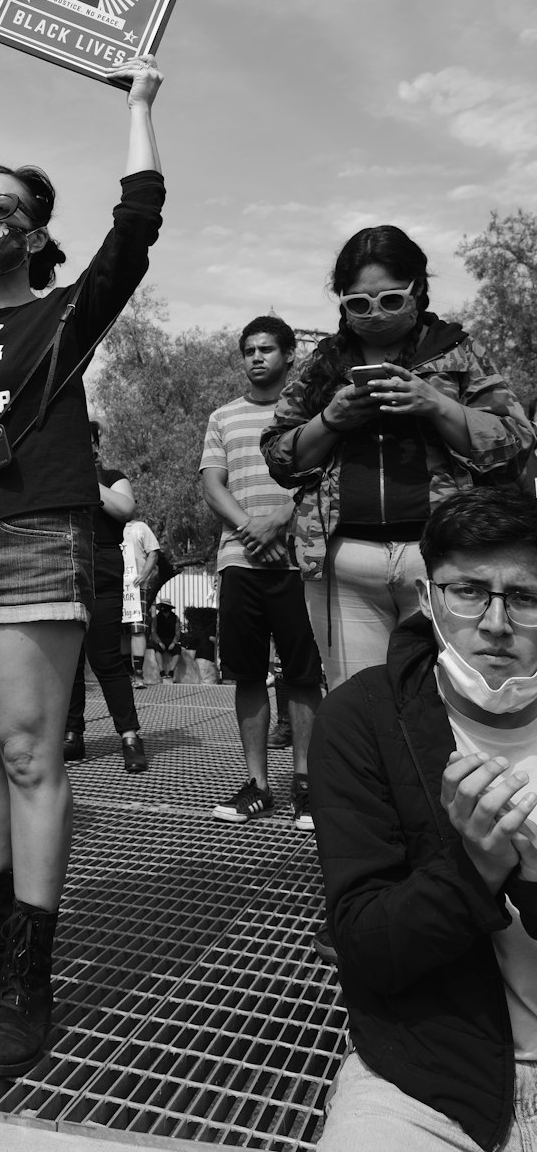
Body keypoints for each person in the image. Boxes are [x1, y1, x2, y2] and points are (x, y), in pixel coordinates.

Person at [0, 55, 165, 1078]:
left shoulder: (59, 319)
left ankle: (28, 977)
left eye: (6, 207)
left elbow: (135, 229)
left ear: (35, 234)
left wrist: (139, 105)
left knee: (26, 753)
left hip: (29, 538)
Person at [309, 488, 537, 1151]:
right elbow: (368, 948)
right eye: (468, 591)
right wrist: (475, 866)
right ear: (427, 595)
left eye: (525, 598)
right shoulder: (361, 718)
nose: (495, 622)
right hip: (424, 1080)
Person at [261, 226, 533, 692]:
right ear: (341, 301)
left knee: (448, 698)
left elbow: (516, 442)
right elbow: (278, 455)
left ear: (417, 290)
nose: (375, 314)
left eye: (390, 299)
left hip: (444, 561)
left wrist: (436, 404)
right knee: (358, 703)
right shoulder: (322, 364)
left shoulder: (458, 352)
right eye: (358, 304)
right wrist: (331, 418)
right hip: (344, 564)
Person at [201, 316, 323, 828]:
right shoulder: (222, 417)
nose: (256, 357)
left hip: (299, 561)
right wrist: (251, 527)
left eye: (267, 349)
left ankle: (308, 785)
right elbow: (212, 485)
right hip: (239, 562)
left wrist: (281, 521)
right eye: (248, 349)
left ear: (290, 355)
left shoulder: (312, 415)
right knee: (247, 675)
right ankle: (258, 785)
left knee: (303, 676)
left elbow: (325, 480)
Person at [63, 421, 147, 773]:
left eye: (86, 439)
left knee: (105, 658)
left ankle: (129, 736)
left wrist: (86, 476)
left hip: (103, 567)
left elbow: (124, 509)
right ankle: (71, 734)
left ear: (96, 444)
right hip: (65, 566)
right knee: (68, 660)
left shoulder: (112, 476)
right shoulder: (58, 476)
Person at [122, 518, 159, 685]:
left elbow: (154, 552)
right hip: (116, 588)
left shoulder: (141, 527)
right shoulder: (111, 527)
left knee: (137, 629)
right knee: (121, 630)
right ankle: (126, 673)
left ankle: (138, 674)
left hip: (137, 588)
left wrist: (144, 574)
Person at [149, 599, 182, 680]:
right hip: (160, 639)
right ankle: (162, 671)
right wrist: (159, 642)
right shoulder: (156, 618)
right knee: (157, 649)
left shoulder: (175, 618)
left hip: (171, 640)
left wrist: (174, 643)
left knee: (177, 649)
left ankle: (171, 671)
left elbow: (177, 632)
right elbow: (153, 632)